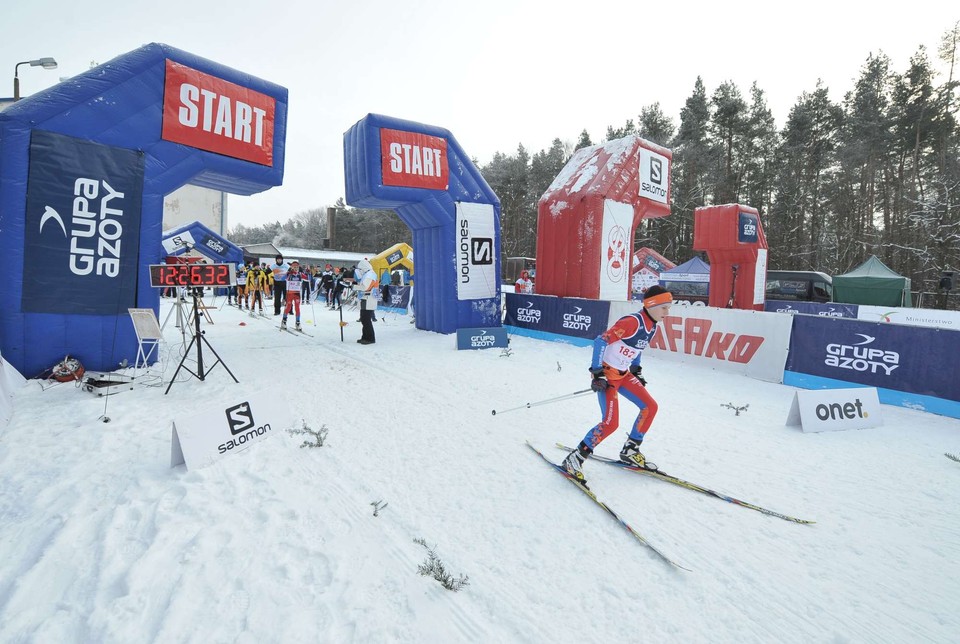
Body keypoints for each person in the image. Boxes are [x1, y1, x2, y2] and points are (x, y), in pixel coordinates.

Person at [562, 285, 673, 486]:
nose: (668, 312)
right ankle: (575, 458)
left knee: (650, 407)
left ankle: (630, 449)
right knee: (610, 423)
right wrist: (597, 373)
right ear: (652, 305)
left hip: (624, 375)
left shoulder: (652, 325)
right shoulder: (632, 322)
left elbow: (636, 347)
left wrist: (637, 369)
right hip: (608, 377)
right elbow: (600, 341)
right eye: (664, 307)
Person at [353, 259, 379, 344]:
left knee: (366, 319)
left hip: (368, 299)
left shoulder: (370, 275)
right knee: (364, 319)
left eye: (360, 269)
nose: (359, 271)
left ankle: (370, 338)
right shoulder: (368, 274)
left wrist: (354, 287)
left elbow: (365, 287)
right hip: (365, 298)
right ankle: (364, 337)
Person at [280, 260, 309, 331]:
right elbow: (282, 278)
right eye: (294, 267)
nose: (296, 268)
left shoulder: (300, 274)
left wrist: (308, 273)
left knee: (297, 308)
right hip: (289, 293)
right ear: (292, 267)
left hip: (297, 293)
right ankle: (284, 321)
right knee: (288, 307)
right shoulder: (289, 274)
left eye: (297, 267)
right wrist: (288, 273)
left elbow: (307, 278)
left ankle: (297, 322)